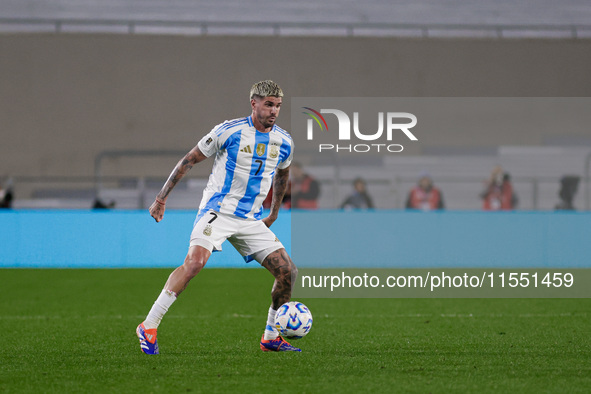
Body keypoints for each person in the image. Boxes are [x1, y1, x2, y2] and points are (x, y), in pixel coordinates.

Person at [136, 80, 300, 354]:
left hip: (249, 219)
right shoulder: (229, 131)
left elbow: (283, 174)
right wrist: (161, 198)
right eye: (269, 105)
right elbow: (189, 160)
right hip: (218, 211)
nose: (274, 111)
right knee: (194, 263)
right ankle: (149, 325)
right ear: (254, 103)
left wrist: (273, 212)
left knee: (287, 272)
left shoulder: (284, 142)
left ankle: (271, 336)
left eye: (278, 106)